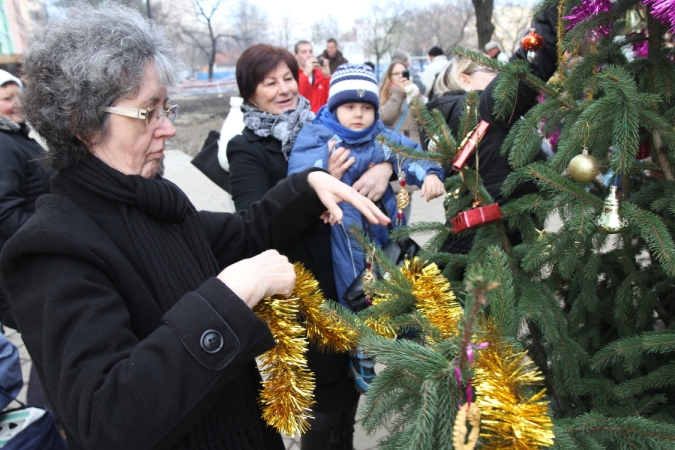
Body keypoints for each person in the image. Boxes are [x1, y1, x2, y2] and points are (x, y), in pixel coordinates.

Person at [0, 6, 389, 450]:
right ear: (81, 123)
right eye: (149, 112)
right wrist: (227, 298)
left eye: (167, 107)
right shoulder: (52, 248)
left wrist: (308, 184)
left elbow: (245, 234)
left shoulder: (155, 201)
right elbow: (107, 418)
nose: (168, 127)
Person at [226, 44, 393, 450]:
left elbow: (380, 140)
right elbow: (255, 226)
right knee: (322, 411)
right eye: (270, 83)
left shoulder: (324, 125)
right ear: (250, 92)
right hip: (304, 292)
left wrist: (387, 168)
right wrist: (315, 187)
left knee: (350, 398)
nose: (283, 89)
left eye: (288, 78)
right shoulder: (246, 148)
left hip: (350, 279)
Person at [288, 63, 445, 395]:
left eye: (366, 107)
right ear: (334, 107)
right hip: (343, 232)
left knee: (396, 275)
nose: (358, 114)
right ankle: (363, 353)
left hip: (385, 228)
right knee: (357, 290)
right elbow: (300, 174)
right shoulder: (319, 135)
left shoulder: (379, 137)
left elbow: (411, 154)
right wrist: (322, 181)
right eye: (349, 107)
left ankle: (410, 334)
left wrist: (429, 175)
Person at [423, 5, 559, 255]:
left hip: (499, 232)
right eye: (489, 69)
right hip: (487, 239)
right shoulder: (471, 110)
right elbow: (526, 69)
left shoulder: (458, 112)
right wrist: (552, 14)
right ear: (464, 79)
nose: (498, 73)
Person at [0, 70, 51, 332]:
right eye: (7, 98)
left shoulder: (17, 137)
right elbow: (4, 214)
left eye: (19, 95)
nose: (17, 103)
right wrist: (51, 235)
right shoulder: (3, 145)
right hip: (29, 266)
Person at [379, 61, 424, 144]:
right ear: (390, 76)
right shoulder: (383, 92)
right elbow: (384, 118)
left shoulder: (414, 91)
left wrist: (414, 95)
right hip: (392, 142)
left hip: (414, 143)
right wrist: (399, 93)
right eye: (396, 74)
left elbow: (423, 118)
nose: (400, 76)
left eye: (403, 73)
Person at [294, 40, 331, 113]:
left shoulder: (320, 75)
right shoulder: (293, 76)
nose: (309, 55)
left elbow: (331, 98)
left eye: (310, 51)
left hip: (320, 120)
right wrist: (306, 74)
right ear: (296, 56)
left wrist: (328, 76)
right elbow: (298, 97)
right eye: (304, 52)